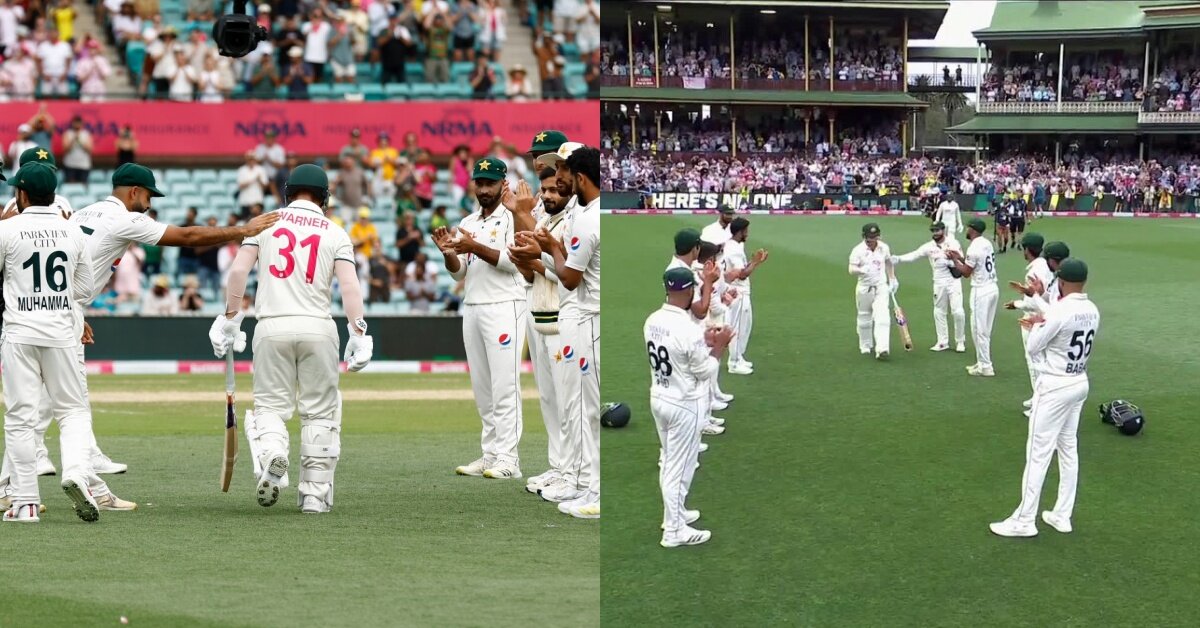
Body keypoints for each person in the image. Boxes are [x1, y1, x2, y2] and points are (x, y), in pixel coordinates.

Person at [67, 163, 279, 468]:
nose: (151, 204)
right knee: (66, 395)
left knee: (65, 389)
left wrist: (75, 308)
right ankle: (58, 469)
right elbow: (188, 236)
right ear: (134, 192)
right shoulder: (125, 219)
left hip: (61, 304)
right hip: (65, 309)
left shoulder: (82, 212)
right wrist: (243, 230)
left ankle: (84, 456)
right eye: (149, 196)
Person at [211, 164, 372, 514]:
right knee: (321, 414)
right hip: (319, 327)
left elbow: (238, 271)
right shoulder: (335, 231)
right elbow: (349, 286)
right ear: (324, 196)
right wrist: (358, 332)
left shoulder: (264, 222)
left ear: (287, 192)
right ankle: (314, 496)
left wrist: (229, 319)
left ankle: (274, 454)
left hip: (272, 326)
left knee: (270, 408)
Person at [0, 162, 133, 523]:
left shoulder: (7, 230)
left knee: (20, 419)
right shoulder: (71, 230)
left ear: (23, 194)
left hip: (20, 333)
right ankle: (76, 472)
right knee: (72, 411)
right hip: (61, 333)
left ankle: (25, 503)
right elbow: (85, 288)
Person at [432, 158, 527, 481]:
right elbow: (462, 270)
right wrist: (449, 253)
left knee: (504, 386)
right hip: (472, 304)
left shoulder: (514, 218)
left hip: (505, 305)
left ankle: (509, 458)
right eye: (479, 183)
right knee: (482, 388)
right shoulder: (468, 221)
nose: (484, 190)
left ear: (504, 185)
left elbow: (512, 264)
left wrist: (473, 244)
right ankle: (490, 453)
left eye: (490, 183)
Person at [990, 258, 1098, 538]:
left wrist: (1036, 323)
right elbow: (1059, 317)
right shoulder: (1092, 309)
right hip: (1079, 382)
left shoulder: (1060, 311)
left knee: (1037, 453)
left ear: (1061, 282)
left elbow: (1035, 347)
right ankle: (1062, 515)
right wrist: (1037, 298)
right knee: (1068, 449)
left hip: (1054, 386)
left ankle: (1024, 520)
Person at [526, 146, 601, 519]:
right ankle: (582, 482)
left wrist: (550, 247)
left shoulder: (587, 220)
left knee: (582, 407)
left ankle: (591, 488)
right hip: (583, 315)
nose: (560, 180)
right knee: (576, 406)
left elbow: (571, 279)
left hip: (587, 317)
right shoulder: (588, 214)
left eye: (565, 175)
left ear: (580, 178)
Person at [644, 267, 734, 547]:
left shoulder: (652, 320)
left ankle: (676, 514)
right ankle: (673, 531)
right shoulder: (688, 328)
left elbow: (676, 351)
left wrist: (704, 341)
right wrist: (718, 347)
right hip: (685, 403)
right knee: (680, 467)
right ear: (689, 291)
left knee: (669, 460)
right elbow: (705, 371)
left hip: (660, 396)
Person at [507, 165, 570, 500]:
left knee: (567, 399)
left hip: (564, 318)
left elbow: (571, 274)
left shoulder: (571, 221)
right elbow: (534, 274)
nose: (548, 195)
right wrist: (525, 264)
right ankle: (559, 466)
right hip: (540, 311)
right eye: (544, 190)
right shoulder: (545, 221)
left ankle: (573, 472)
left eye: (555, 190)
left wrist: (537, 259)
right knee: (549, 398)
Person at [891, 221, 966, 353]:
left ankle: (960, 341)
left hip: (953, 281)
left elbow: (962, 259)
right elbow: (914, 255)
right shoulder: (929, 246)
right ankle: (943, 342)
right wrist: (897, 259)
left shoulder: (953, 243)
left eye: (937, 230)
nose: (935, 233)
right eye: (933, 231)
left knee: (958, 312)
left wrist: (951, 259)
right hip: (938, 282)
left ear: (943, 230)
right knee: (939, 311)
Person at [946, 218, 998, 376]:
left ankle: (986, 366)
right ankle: (982, 362)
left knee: (978, 330)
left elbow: (967, 273)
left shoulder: (974, 248)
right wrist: (960, 257)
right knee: (985, 330)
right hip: (993, 288)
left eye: (968, 228)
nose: (966, 230)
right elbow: (976, 263)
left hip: (980, 290)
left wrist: (954, 259)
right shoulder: (986, 243)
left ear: (973, 230)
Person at [723, 217, 768, 373]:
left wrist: (755, 262)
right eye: (746, 231)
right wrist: (755, 263)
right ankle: (734, 362)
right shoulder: (734, 248)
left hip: (739, 291)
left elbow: (741, 269)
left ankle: (739, 357)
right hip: (738, 292)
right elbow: (741, 274)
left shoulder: (733, 245)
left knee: (745, 326)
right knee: (739, 327)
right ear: (740, 231)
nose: (748, 234)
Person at [848, 222, 897, 359]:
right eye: (869, 237)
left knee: (883, 317)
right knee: (864, 317)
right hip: (864, 288)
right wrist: (860, 270)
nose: (872, 240)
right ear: (864, 236)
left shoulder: (884, 248)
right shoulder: (858, 250)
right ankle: (865, 344)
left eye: (875, 237)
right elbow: (851, 269)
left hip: (881, 286)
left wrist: (892, 278)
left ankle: (882, 348)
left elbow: (888, 262)